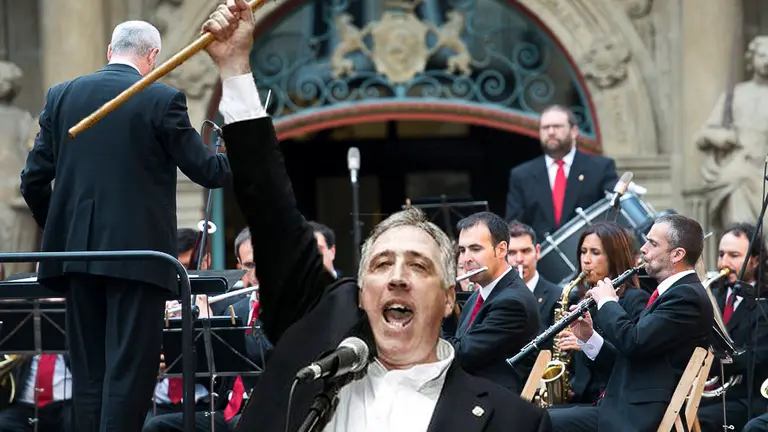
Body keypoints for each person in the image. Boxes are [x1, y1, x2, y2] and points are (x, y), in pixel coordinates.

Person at [199, 3, 551, 431]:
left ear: (447, 300)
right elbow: (269, 206)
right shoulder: (320, 323)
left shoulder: (513, 421)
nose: (397, 277)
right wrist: (235, 67)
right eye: (382, 264)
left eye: (419, 266)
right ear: (362, 293)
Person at [17, 5, 243, 429]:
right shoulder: (162, 98)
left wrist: (65, 234)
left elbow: (31, 181)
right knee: (130, 376)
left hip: (77, 262)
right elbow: (209, 171)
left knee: (88, 378)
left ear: (109, 50)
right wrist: (237, 148)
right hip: (139, 262)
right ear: (153, 56)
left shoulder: (61, 95)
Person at [548, 214, 714, 431]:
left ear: (677, 254)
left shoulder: (686, 297)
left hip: (637, 416)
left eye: (653, 243)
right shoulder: (672, 293)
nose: (643, 249)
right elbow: (629, 358)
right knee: (536, 415)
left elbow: (634, 341)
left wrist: (607, 301)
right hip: (621, 406)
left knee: (540, 421)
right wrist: (589, 338)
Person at [555, 221, 649, 404]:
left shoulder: (634, 299)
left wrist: (586, 342)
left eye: (595, 252)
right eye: (583, 252)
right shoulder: (580, 300)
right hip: (581, 397)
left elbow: (628, 364)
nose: (586, 260)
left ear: (614, 258)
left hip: (613, 400)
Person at [452, 212, 540, 392]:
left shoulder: (512, 302)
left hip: (495, 407)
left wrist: (434, 310)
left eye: (475, 249)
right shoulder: (478, 296)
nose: (466, 258)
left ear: (500, 250)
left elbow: (461, 356)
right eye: (462, 250)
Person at [505, 105, 618, 243]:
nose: (551, 132)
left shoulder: (600, 168)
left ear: (574, 131)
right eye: (545, 128)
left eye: (557, 126)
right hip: (541, 259)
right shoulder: (522, 175)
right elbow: (514, 226)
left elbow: (613, 214)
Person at [701, 223, 768, 432]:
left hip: (746, 398)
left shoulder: (764, 303)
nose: (724, 263)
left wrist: (709, 361)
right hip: (715, 393)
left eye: (734, 255)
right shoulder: (713, 296)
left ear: (756, 260)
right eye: (721, 254)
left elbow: (754, 358)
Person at [506, 220, 561, 330]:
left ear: (537, 251)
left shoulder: (558, 296)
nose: (519, 259)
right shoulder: (494, 295)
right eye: (511, 253)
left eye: (525, 251)